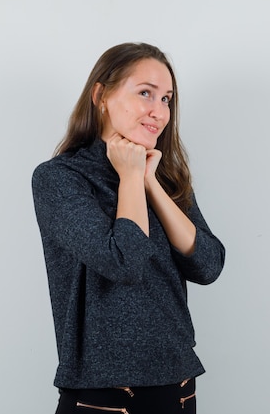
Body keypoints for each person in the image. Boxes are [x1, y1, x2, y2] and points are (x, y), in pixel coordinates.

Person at [31, 42, 226, 414]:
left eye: (167, 99)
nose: (159, 111)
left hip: (178, 385)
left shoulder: (166, 177)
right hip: (103, 394)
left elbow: (208, 265)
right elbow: (125, 262)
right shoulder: (59, 179)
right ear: (101, 95)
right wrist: (131, 175)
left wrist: (151, 182)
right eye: (145, 94)